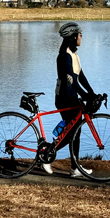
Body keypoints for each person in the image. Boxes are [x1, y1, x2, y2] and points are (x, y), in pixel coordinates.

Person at [45, 21, 95, 178]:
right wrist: (85, 95)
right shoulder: (64, 55)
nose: (81, 37)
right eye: (80, 35)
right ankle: (47, 155)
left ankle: (74, 168)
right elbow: (71, 79)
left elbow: (81, 76)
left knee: (76, 132)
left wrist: (92, 93)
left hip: (72, 96)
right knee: (72, 133)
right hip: (64, 98)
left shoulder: (73, 54)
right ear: (73, 37)